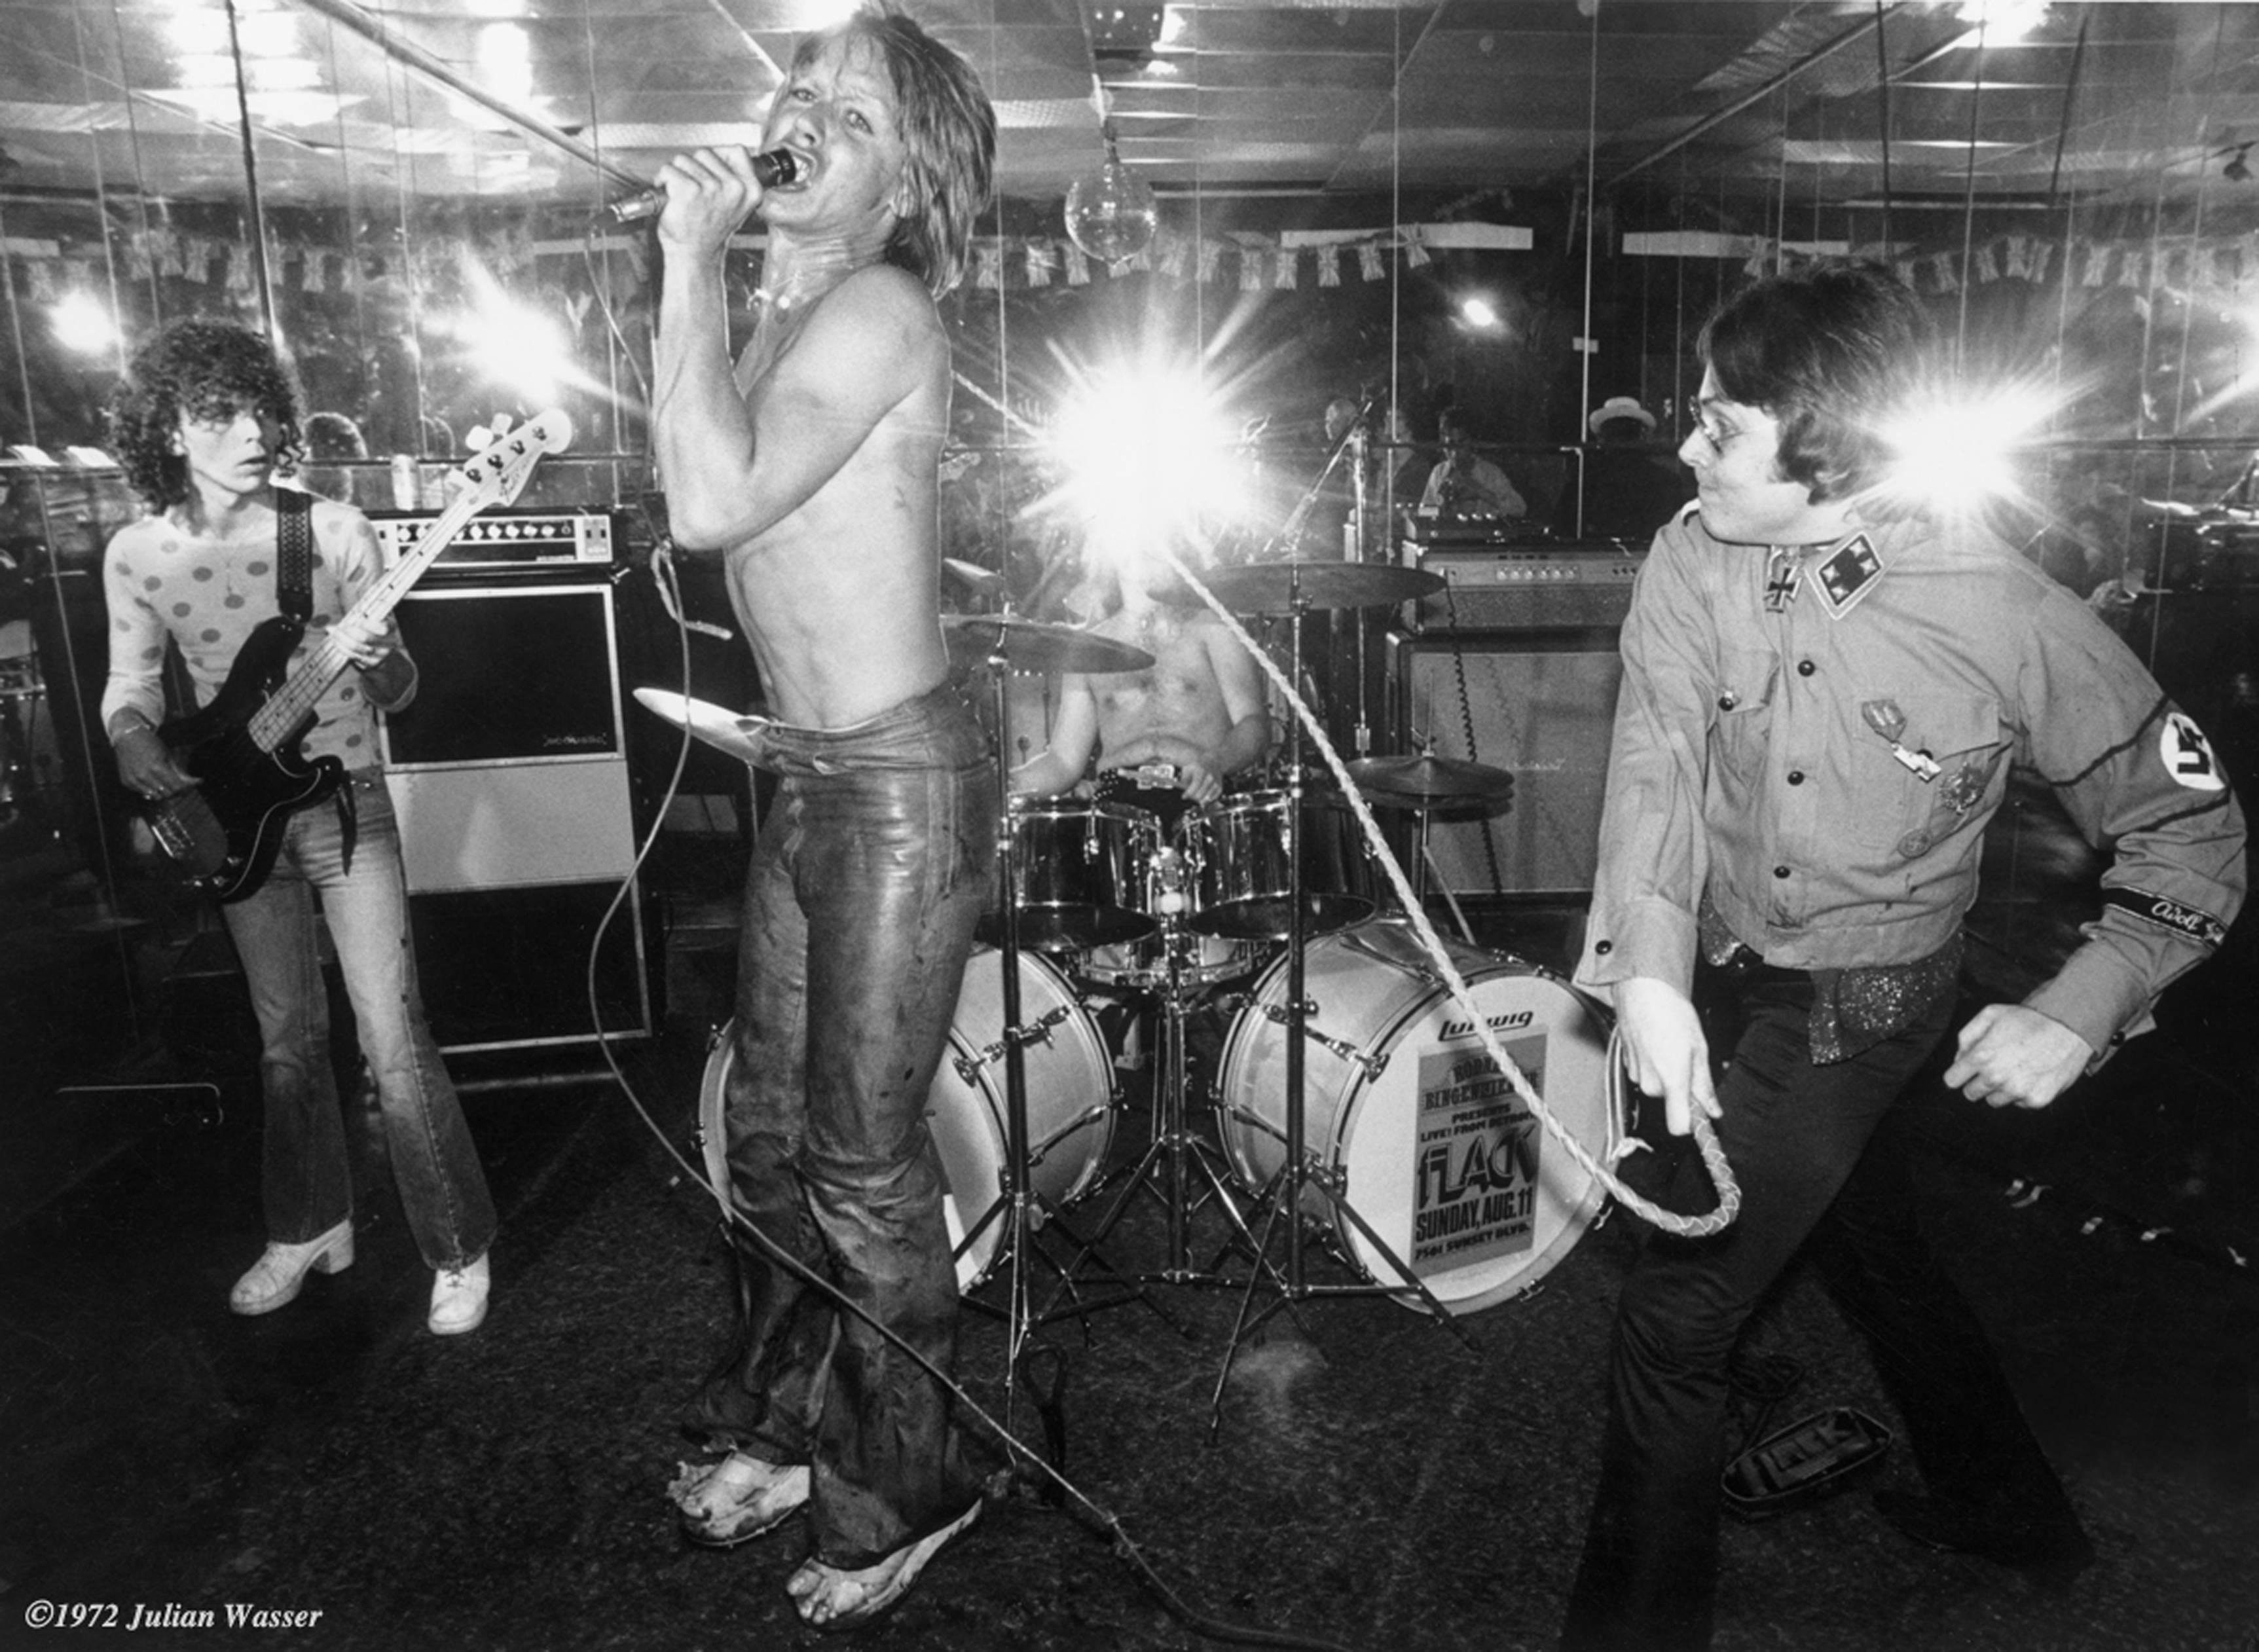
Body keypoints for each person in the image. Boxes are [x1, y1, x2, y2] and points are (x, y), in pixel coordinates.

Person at [1562, 261, 2247, 1651]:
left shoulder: (1999, 605)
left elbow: (2194, 830)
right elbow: (1661, 760)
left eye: (1721, 423)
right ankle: (2015, 1514)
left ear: (1827, 455)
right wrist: (1645, 967)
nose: (1687, 447)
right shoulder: (1692, 552)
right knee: (1877, 1253)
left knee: (1678, 1312)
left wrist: (2083, 1000)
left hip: (1866, 997)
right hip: (1742, 968)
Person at [645, 5, 998, 1631]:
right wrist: (714, 280)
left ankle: (920, 1482)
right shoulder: (786, 307)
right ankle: (795, 1423)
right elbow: (703, 473)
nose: (800, 114)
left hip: (899, 781)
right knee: (772, 1142)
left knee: (860, 1164)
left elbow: (711, 501)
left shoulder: (874, 303)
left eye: (847, 117)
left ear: (900, 189)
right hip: (807, 762)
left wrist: (680, 266)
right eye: (800, 88)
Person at [100, 316, 497, 1337]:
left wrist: (374, 660)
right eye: (218, 414)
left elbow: (403, 689)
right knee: (285, 1040)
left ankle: (456, 1244)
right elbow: (131, 686)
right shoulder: (138, 550)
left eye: (258, 411)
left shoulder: (328, 530)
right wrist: (135, 750)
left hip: (342, 803)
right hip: (233, 814)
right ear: (170, 429)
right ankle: (310, 1224)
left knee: (390, 1033)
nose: (249, 432)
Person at [1010, 555, 1273, 824]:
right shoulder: (1087, 649)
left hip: (1200, 797)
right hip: (1117, 808)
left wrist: (1217, 762)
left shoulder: (1212, 626)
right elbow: (1063, 761)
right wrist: (1003, 784)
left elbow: (1254, 724)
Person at [1552, 394, 1689, 544]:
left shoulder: (1584, 480)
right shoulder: (1584, 481)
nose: (1622, 440)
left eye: (1627, 432)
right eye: (1616, 432)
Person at [1418, 406, 1526, 522]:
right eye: (1451, 445)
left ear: (1472, 442)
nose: (1455, 452)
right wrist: (1442, 504)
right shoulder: (1439, 472)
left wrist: (1480, 492)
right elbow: (1424, 513)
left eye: (1462, 443)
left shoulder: (1490, 473)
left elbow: (1519, 509)